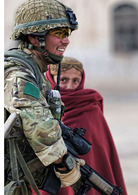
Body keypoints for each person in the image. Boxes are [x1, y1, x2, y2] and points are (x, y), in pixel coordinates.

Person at [4, 0, 84, 194]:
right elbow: (37, 122)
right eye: (59, 34)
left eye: (68, 34)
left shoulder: (35, 70)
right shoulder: (18, 73)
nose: (66, 40)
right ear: (34, 37)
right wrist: (64, 162)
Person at [45, 56, 128, 195]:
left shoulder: (89, 107)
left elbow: (98, 157)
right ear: (51, 79)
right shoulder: (39, 106)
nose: (70, 87)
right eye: (63, 80)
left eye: (75, 81)